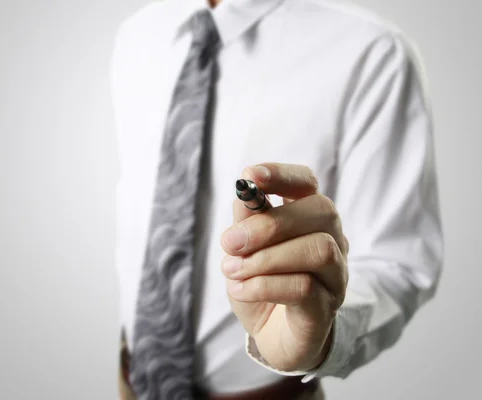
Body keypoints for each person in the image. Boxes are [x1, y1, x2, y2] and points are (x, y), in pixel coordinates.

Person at [110, 0, 443, 399]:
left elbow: (398, 262)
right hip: (132, 382)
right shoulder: (137, 34)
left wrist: (323, 332)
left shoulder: (372, 51)